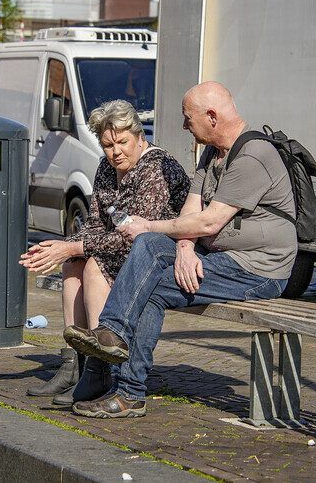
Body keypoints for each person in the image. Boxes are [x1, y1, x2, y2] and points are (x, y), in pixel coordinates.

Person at [64, 81, 297, 418]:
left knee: (150, 272)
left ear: (212, 117)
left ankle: (126, 385)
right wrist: (185, 249)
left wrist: (150, 225)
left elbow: (208, 223)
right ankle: (114, 344)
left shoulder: (253, 155)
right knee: (149, 251)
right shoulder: (212, 153)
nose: (184, 125)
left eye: (189, 118)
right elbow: (191, 212)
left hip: (259, 270)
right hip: (219, 257)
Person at [21, 99, 190, 406]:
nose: (116, 152)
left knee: (93, 266)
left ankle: (101, 367)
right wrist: (65, 248)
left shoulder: (154, 169)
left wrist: (75, 246)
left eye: (123, 142)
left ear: (139, 137)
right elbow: (97, 222)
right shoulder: (107, 167)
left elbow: (136, 240)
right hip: (127, 250)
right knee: (74, 263)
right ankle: (75, 362)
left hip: (158, 257)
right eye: (108, 145)